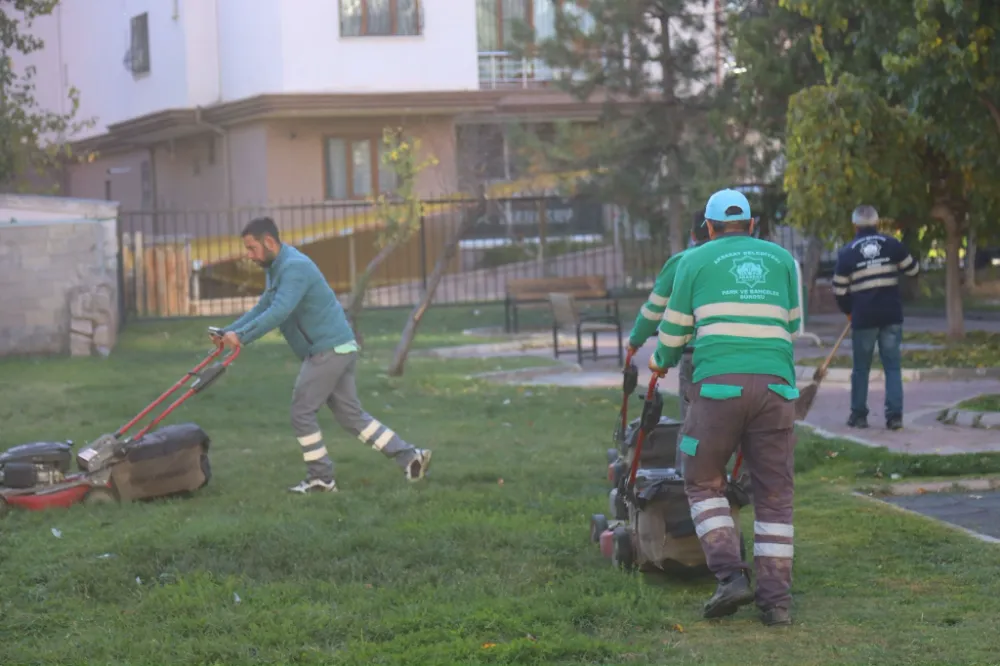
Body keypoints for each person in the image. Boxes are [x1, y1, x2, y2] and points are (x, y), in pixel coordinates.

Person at [648, 189, 801, 627]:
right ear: (752, 225)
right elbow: (791, 323)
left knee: (702, 481)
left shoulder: (693, 261)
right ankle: (776, 602)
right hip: (777, 388)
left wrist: (659, 363)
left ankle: (730, 575)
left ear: (709, 228)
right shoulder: (782, 260)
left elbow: (675, 332)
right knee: (775, 496)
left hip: (717, 391)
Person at [213, 217, 432, 493]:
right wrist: (228, 332)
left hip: (328, 350)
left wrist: (242, 338)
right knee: (352, 417)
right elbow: (262, 308)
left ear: (269, 242)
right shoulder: (276, 268)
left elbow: (279, 312)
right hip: (338, 347)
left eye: (251, 248)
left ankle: (321, 478)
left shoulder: (294, 268)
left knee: (302, 411)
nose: (249, 255)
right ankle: (410, 455)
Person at [626, 213, 713, 466]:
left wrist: (635, 341)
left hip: (695, 356)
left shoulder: (681, 262)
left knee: (692, 426)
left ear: (693, 234)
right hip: (740, 356)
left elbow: (654, 311)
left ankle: (685, 481)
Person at [832, 205, 920, 431]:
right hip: (891, 314)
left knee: (861, 368)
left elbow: (839, 290)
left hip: (863, 317)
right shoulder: (892, 245)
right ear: (877, 223)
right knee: (892, 367)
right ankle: (895, 417)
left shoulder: (847, 252)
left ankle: (859, 416)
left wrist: (849, 310)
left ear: (855, 226)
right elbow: (912, 269)